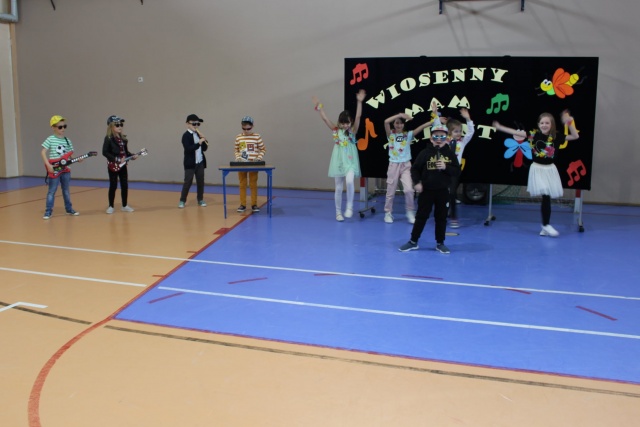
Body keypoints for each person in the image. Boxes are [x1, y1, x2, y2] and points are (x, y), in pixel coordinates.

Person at [493, 110, 578, 237]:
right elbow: (516, 132)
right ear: (538, 124)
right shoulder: (533, 135)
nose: (544, 125)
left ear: (552, 124)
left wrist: (569, 123)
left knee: (546, 196)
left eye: (547, 123)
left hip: (550, 170)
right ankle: (546, 225)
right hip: (537, 169)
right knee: (546, 195)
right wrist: (500, 127)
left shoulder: (556, 136)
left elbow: (575, 136)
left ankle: (544, 226)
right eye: (542, 123)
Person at [399, 118, 460, 254]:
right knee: (421, 216)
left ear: (446, 138)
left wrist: (446, 167)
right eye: (436, 136)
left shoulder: (450, 153)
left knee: (441, 218)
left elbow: (457, 171)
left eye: (442, 136)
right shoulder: (424, 153)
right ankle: (413, 241)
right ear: (431, 138)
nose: (439, 139)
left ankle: (440, 243)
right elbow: (415, 169)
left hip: (443, 191)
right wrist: (417, 182)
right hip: (426, 190)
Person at [314, 89, 365, 221]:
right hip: (338, 161)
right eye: (342, 123)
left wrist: (359, 102)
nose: (345, 125)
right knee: (338, 187)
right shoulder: (336, 130)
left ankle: (349, 206)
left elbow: (358, 117)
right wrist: (320, 107)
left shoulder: (353, 131)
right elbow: (325, 119)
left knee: (350, 181)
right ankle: (338, 212)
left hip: (350, 161)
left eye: (347, 122)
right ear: (339, 122)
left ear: (350, 122)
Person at [382, 111, 437, 224]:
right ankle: (388, 213)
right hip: (393, 165)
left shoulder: (408, 135)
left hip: (406, 165)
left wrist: (433, 121)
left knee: (409, 190)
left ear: (404, 124)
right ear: (394, 124)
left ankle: (410, 211)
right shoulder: (390, 135)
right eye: (397, 123)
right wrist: (399, 115)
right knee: (390, 191)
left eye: (401, 123)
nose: (399, 125)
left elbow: (421, 127)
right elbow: (386, 121)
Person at [41, 115, 80, 219]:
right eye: (60, 127)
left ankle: (69, 209)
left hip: (66, 170)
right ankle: (48, 211)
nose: (63, 129)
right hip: (54, 169)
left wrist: (77, 159)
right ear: (53, 127)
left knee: (66, 190)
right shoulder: (50, 139)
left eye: (64, 126)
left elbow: (70, 155)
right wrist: (48, 165)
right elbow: (43, 152)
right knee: (52, 191)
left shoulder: (67, 140)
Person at [445, 107, 475, 228]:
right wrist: (436, 116)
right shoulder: (444, 142)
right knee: (443, 193)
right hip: (443, 170)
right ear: (449, 132)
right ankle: (444, 211)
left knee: (452, 193)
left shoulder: (462, 142)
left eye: (460, 131)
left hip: (455, 171)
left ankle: (453, 217)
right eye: (456, 131)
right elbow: (437, 129)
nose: (459, 133)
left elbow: (470, 132)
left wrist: (468, 119)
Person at [102, 115, 137, 214]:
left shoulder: (123, 139)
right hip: (113, 165)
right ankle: (111, 206)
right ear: (111, 126)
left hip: (123, 165)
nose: (120, 127)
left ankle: (124, 205)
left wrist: (132, 155)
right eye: (117, 125)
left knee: (124, 185)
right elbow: (105, 152)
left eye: (121, 125)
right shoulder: (108, 138)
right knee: (113, 185)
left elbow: (125, 152)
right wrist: (116, 159)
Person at [234, 116, 266, 213]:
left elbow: (263, 149)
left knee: (253, 184)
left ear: (252, 126)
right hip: (242, 164)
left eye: (248, 129)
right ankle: (242, 204)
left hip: (253, 165)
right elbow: (236, 150)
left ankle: (254, 204)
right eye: (244, 129)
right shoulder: (238, 137)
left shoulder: (257, 137)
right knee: (242, 184)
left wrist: (259, 158)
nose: (246, 131)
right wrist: (238, 157)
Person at [179, 114, 208, 208]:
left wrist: (204, 140)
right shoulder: (185, 136)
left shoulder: (198, 134)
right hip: (190, 163)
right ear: (187, 124)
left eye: (198, 124)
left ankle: (200, 199)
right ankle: (182, 200)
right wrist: (199, 143)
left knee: (200, 182)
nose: (196, 126)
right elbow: (188, 149)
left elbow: (205, 148)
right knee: (187, 182)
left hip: (200, 162)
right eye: (194, 124)